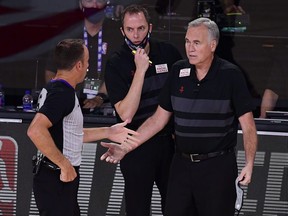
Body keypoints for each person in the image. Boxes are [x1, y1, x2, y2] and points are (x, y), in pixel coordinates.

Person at [101, 17, 258, 216]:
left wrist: (249, 163)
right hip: (181, 166)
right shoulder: (177, 71)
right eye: (187, 41)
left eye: (196, 43)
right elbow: (157, 120)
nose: (189, 48)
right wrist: (125, 147)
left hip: (217, 168)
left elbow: (248, 125)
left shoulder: (231, 75)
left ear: (212, 45)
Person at [27, 39, 139, 216]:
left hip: (56, 178)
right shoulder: (62, 94)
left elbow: (69, 134)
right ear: (79, 65)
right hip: (56, 177)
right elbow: (35, 130)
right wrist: (64, 165)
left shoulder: (57, 88)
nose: (88, 66)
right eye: (87, 61)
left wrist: (109, 132)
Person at [104, 4, 182, 215]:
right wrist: (140, 70)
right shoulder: (115, 64)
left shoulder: (169, 52)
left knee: (176, 207)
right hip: (135, 146)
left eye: (140, 28)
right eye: (130, 29)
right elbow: (126, 113)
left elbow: (183, 96)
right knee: (138, 208)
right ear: (122, 31)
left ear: (150, 27)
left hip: (169, 143)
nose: (136, 35)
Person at [45, 0, 122, 110]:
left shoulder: (116, 33)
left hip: (107, 105)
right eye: (89, 0)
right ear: (81, 4)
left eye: (99, 1)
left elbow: (118, 73)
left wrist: (100, 97)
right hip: (68, 102)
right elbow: (51, 71)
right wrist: (61, 95)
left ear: (106, 3)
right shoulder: (67, 32)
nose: (94, 5)